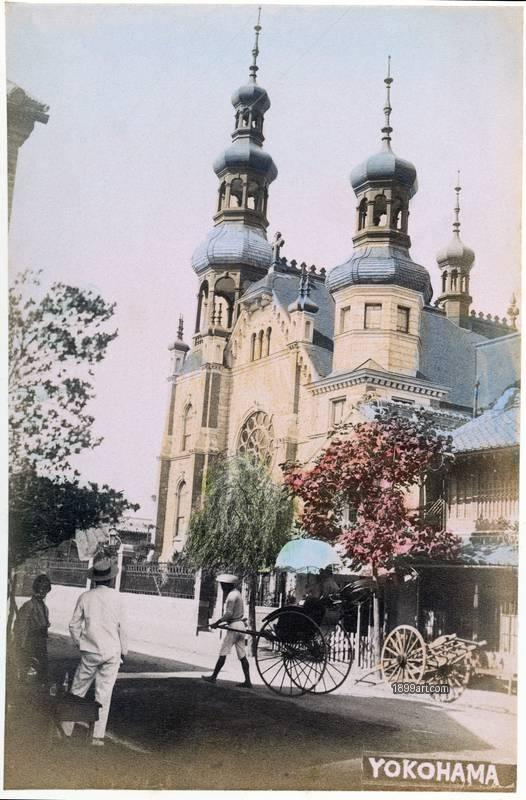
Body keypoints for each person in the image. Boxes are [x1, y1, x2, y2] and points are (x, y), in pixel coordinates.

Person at [62, 556, 128, 746]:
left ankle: (66, 730)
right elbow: (122, 628)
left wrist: (80, 643)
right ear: (110, 578)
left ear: (95, 579)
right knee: (104, 693)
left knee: (77, 690)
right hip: (112, 652)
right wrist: (124, 651)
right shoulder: (118, 598)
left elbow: (74, 625)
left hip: (90, 651)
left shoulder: (85, 597)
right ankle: (97, 736)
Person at [202, 574, 252, 688]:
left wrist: (217, 623)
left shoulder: (231, 596)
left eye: (223, 585)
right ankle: (248, 681)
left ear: (227, 585)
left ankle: (213, 677)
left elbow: (229, 614)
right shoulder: (238, 593)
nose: (222, 587)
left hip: (234, 627)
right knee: (242, 655)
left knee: (223, 652)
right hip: (240, 626)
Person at [13, 574, 52, 685]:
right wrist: (20, 645)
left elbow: (44, 623)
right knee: (27, 672)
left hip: (41, 643)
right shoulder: (28, 606)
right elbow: (20, 627)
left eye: (45, 591)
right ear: (35, 589)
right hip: (29, 642)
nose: (42, 594)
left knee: (41, 673)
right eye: (40, 591)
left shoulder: (44, 607)